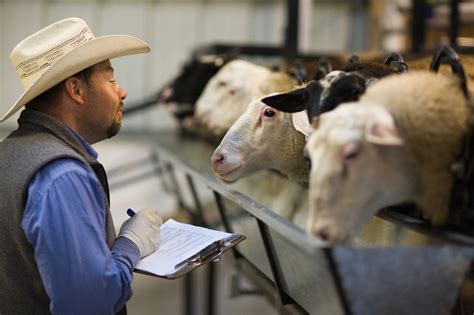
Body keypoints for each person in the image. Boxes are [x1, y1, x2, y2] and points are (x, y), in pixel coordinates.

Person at [0, 17, 162, 314]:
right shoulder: (62, 176)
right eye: (111, 79)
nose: (121, 92)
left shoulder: (8, 153)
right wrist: (131, 244)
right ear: (76, 90)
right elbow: (89, 303)